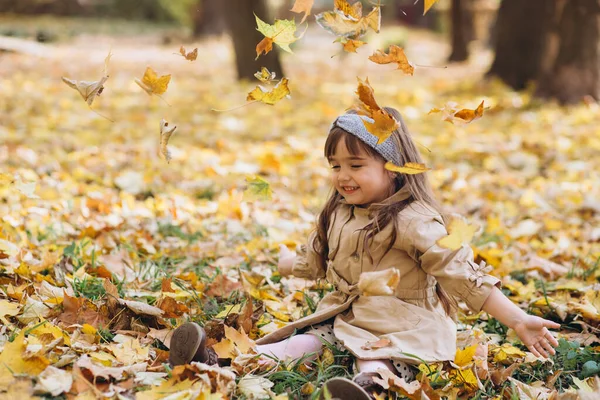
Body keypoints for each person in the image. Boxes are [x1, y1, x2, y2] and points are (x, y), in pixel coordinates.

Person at [169, 108, 560, 399]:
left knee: (373, 358)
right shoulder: (338, 211)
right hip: (347, 314)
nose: (342, 176)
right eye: (335, 165)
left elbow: (461, 274)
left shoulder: (415, 221)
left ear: (393, 167)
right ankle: (213, 363)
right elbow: (316, 258)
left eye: (356, 164)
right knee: (300, 344)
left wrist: (516, 319)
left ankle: (371, 388)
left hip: (404, 324)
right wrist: (287, 262)